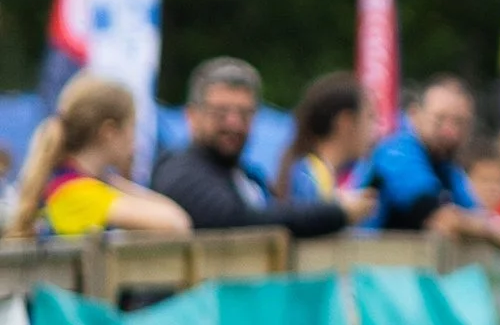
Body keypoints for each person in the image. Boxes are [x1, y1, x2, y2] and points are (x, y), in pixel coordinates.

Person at [152, 57, 349, 238]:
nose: (234, 124)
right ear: (192, 116)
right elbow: (237, 220)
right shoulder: (179, 172)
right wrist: (336, 213)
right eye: (221, 113)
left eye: (245, 114)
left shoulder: (249, 176)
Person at [8, 75, 191, 239]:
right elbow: (176, 223)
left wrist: (107, 180)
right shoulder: (75, 193)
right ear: (109, 132)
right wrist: (114, 182)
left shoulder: (64, 183)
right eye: (132, 128)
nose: (136, 142)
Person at [363, 75, 500, 239]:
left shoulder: (444, 163)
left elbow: (476, 213)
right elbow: (439, 217)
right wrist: (493, 230)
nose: (450, 132)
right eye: (440, 119)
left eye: (460, 122)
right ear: (415, 114)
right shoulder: (396, 152)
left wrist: (490, 226)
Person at [276, 72, 373, 209]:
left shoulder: (319, 174)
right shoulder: (308, 178)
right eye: (370, 118)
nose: (375, 131)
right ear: (346, 122)